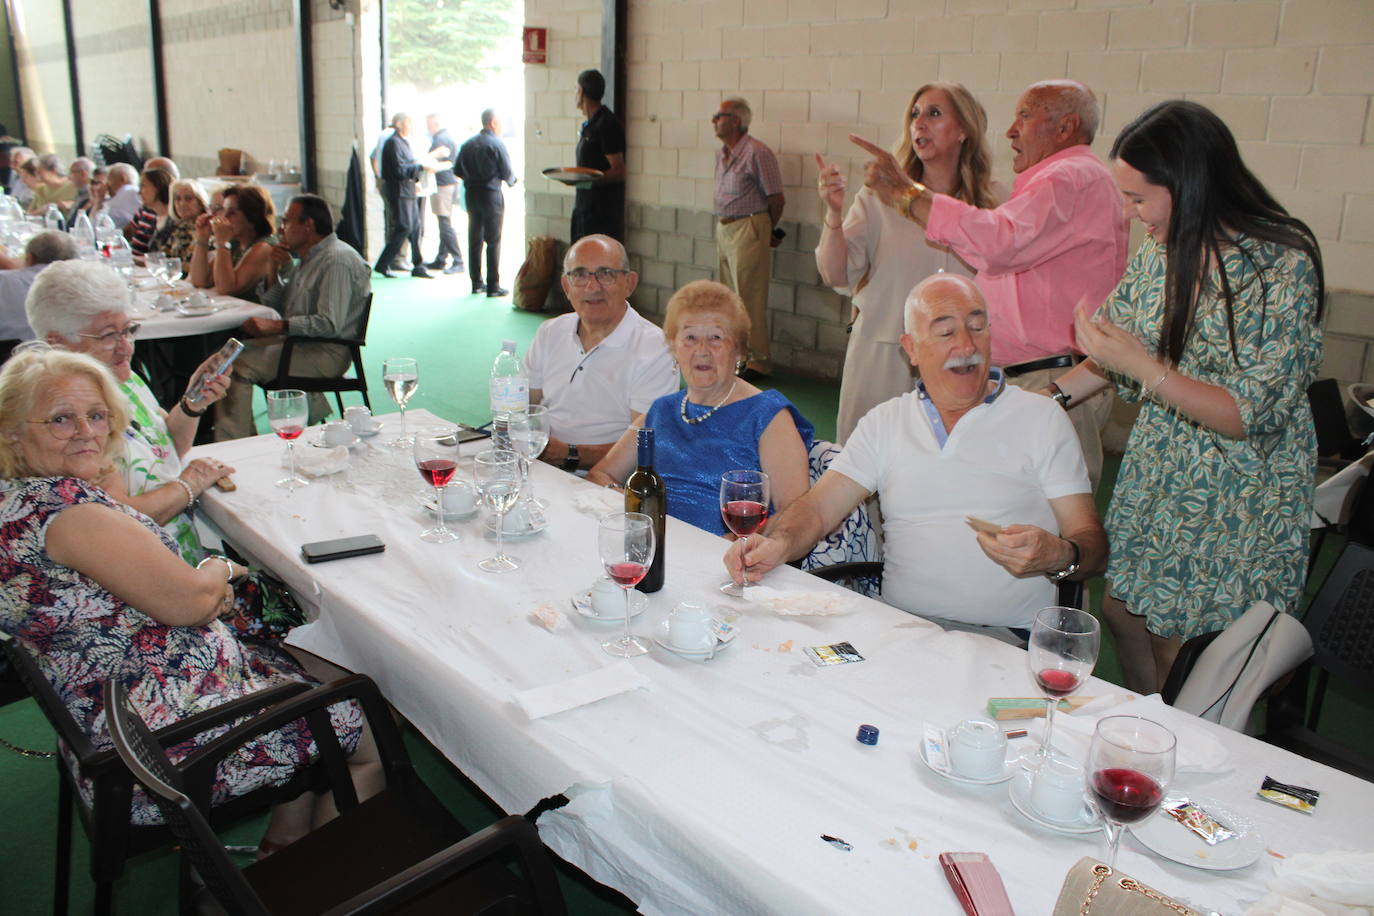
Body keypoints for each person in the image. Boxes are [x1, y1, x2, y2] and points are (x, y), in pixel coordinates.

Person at [0, 345, 378, 845]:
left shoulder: (23, 499)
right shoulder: (70, 517)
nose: (88, 432)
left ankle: (280, 850)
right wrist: (217, 568)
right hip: (159, 747)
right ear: (11, 432)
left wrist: (205, 592)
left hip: (118, 712)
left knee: (307, 659)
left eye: (96, 415)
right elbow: (194, 601)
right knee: (369, 708)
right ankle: (324, 886)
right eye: (60, 420)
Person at [1052, 100, 1325, 693]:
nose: (1130, 214)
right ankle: (1152, 733)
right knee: (1126, 615)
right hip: (1162, 471)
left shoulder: (1281, 264)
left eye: (1139, 198)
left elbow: (1246, 413)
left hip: (1232, 496)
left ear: (1190, 185)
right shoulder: (1164, 247)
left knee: (1188, 648)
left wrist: (1142, 368)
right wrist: (1047, 397)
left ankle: (1195, 757)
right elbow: (1114, 348)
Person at [724, 274, 1105, 642]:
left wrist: (1058, 554)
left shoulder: (1040, 418)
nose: (966, 345)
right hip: (898, 629)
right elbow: (820, 509)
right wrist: (778, 545)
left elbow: (1092, 546)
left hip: (1003, 638)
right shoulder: (886, 421)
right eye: (945, 332)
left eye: (977, 326)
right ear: (911, 348)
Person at [850, 79, 1128, 487]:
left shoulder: (1068, 176)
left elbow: (1000, 243)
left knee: (1046, 524)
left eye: (1026, 117)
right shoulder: (1062, 179)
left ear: (1066, 127)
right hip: (1031, 379)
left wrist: (908, 195)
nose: (1011, 131)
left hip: (1049, 382)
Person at [815, 81, 1001, 444]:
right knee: (868, 464)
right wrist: (833, 214)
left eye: (934, 113)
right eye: (915, 115)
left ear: (964, 130)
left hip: (961, 358)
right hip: (884, 352)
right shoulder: (878, 197)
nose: (920, 123)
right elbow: (835, 272)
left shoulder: (993, 203)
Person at [27, 260, 234, 561]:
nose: (126, 347)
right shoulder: (68, 421)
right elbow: (120, 519)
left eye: (128, 330)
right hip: (141, 573)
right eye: (108, 336)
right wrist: (190, 483)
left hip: (180, 551)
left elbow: (166, 449)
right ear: (57, 343)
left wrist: (192, 403)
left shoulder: (122, 379)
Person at [588, 280, 812, 536]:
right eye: (690, 338)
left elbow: (796, 515)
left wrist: (738, 544)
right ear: (674, 348)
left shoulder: (767, 415)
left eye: (716, 338)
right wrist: (623, 503)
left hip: (728, 560)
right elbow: (601, 474)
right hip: (653, 548)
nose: (702, 350)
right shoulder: (662, 410)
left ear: (738, 350)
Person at [215, 194, 371, 440]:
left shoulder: (336, 260)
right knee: (230, 354)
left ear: (308, 226)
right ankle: (249, 435)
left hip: (326, 353)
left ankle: (233, 444)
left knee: (234, 366)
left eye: (286, 222)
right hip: (300, 345)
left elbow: (329, 324)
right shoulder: (308, 258)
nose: (280, 229)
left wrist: (278, 325)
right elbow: (277, 305)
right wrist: (273, 271)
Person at [525, 235, 678, 473]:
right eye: (580, 274)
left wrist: (569, 454)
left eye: (606, 274)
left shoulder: (656, 349)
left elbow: (646, 445)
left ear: (630, 283)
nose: (592, 287)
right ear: (566, 286)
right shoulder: (550, 331)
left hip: (606, 480)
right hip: (540, 464)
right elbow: (524, 404)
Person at [712, 96, 784, 381]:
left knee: (749, 297)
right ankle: (736, 354)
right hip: (725, 227)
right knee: (728, 297)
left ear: (737, 121)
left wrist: (765, 230)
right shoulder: (722, 153)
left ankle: (758, 361)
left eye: (720, 115)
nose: (714, 121)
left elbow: (776, 198)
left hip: (749, 226)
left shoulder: (757, 152)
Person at [457, 109, 517, 297]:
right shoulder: (496, 144)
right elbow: (507, 172)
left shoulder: (467, 144)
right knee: (493, 240)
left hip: (472, 195)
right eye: (499, 123)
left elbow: (457, 169)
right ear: (492, 123)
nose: (501, 127)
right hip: (491, 195)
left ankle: (476, 283)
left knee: (474, 239)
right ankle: (493, 286)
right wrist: (512, 180)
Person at [189, 184, 276, 300]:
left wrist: (222, 242)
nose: (224, 217)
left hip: (255, 316)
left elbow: (226, 288)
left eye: (232, 212)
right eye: (223, 210)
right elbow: (200, 280)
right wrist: (202, 238)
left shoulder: (263, 247)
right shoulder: (235, 243)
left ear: (252, 217)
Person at [570, 69, 627, 243]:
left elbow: (618, 170)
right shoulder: (590, 125)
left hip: (600, 214)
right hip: (584, 208)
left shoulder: (606, 123)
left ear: (582, 92)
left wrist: (588, 180)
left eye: (576, 90)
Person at [374, 113, 432, 279]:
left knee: (415, 227)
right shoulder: (393, 144)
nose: (410, 126)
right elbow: (399, 170)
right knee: (404, 226)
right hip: (399, 191)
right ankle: (383, 263)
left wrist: (417, 173)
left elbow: (407, 166)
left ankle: (418, 265)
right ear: (399, 124)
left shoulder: (403, 142)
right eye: (408, 123)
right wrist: (419, 167)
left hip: (408, 190)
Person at [0, 231, 78, 343]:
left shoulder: (4, 280)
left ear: (29, 258)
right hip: (62, 355)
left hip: (8, 355)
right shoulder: (84, 286)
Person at [423, 113, 464, 275]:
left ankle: (458, 260)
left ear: (436, 123)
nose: (428, 128)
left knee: (444, 223)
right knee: (443, 222)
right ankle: (441, 258)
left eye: (429, 124)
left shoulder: (440, 140)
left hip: (442, 185)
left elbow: (431, 164)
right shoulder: (447, 137)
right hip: (447, 183)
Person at [159, 179, 210, 266]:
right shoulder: (181, 227)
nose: (182, 204)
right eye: (178, 199)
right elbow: (164, 258)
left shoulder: (207, 228)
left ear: (200, 202)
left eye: (188, 199)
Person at [125, 167, 174, 255]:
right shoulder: (144, 211)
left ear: (157, 187)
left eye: (143, 186)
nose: (139, 192)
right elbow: (127, 234)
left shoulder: (174, 218)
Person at [100, 163, 143, 229]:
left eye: (109, 180)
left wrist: (98, 200)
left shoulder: (129, 191)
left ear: (123, 179)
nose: (106, 185)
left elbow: (98, 224)